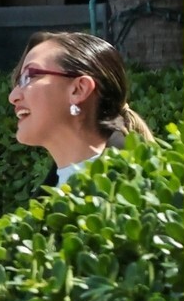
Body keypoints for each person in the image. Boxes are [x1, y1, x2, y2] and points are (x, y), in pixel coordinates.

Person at [8, 30, 153, 190]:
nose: (13, 96)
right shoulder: (46, 199)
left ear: (79, 89)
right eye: (18, 82)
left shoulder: (140, 190)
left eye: (29, 76)